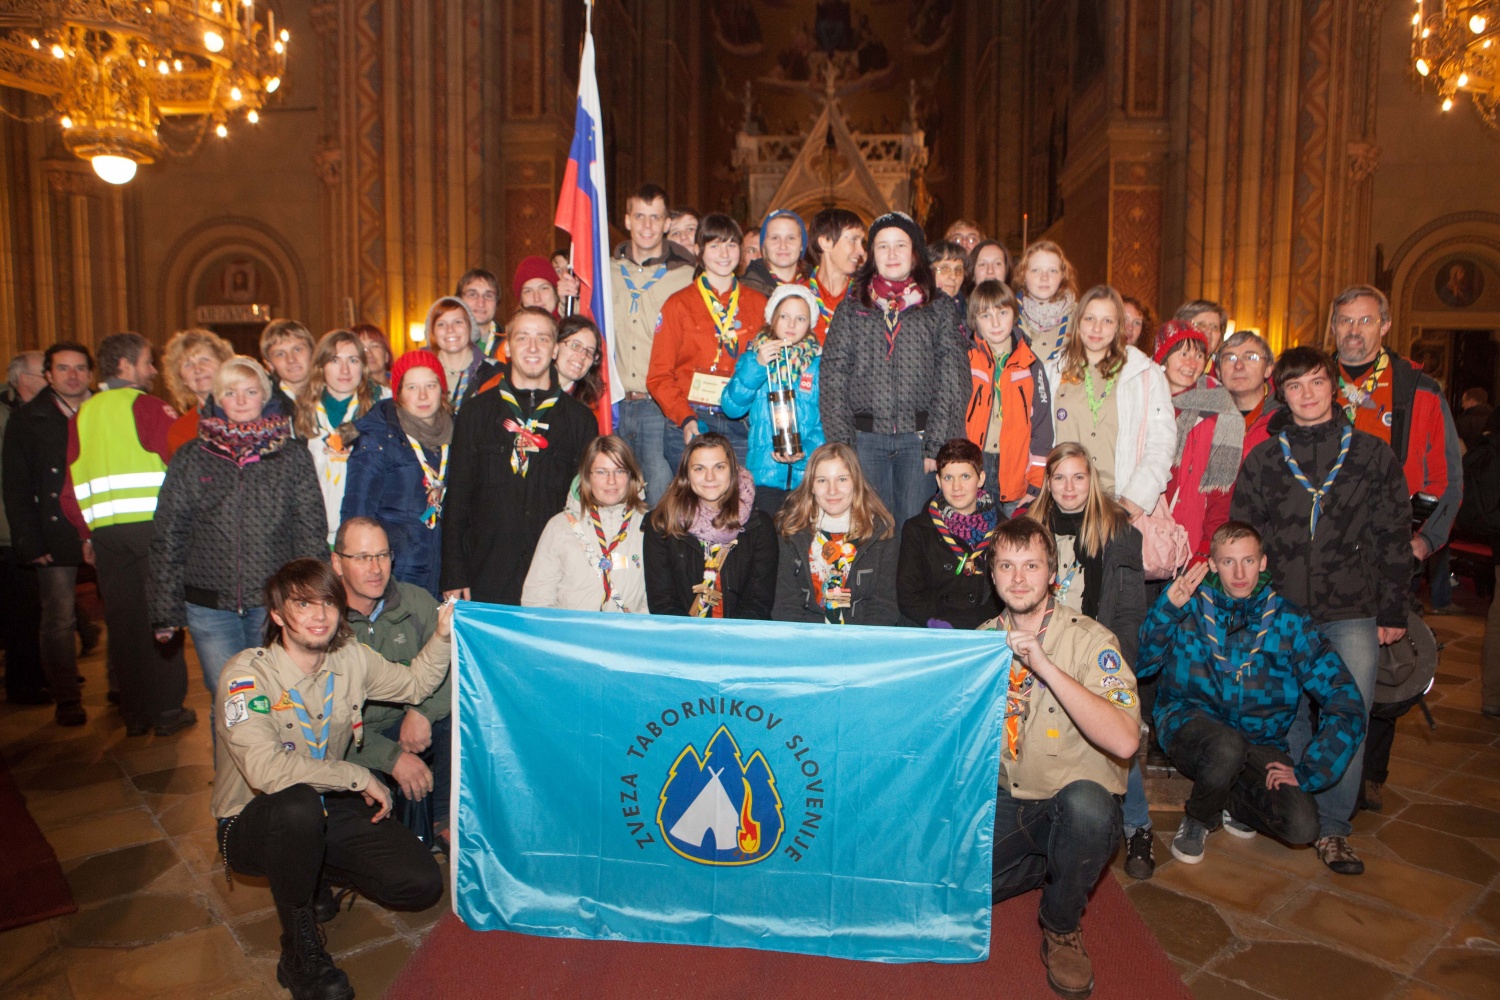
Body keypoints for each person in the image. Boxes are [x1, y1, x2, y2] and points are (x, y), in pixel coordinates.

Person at [213, 558, 450, 1000]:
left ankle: (311, 869)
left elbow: (415, 685)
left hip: (324, 808)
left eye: (328, 603)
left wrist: (440, 636)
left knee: (419, 883)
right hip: (251, 820)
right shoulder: (247, 676)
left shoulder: (351, 658)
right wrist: (356, 775)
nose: (320, 615)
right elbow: (266, 771)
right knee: (297, 805)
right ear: (279, 615)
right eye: (304, 605)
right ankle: (299, 953)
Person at [1230, 346, 1411, 875]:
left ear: (1333, 387)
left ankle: (1334, 827)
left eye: (1316, 382)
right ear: (1279, 393)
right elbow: (1245, 537)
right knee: (1287, 717)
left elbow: (1394, 539)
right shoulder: (1263, 459)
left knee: (1345, 712)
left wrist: (1394, 608)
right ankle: (1298, 807)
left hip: (1351, 607)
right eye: (1294, 386)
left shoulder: (1372, 456)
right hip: (1282, 610)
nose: (1307, 394)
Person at [1135, 522, 1366, 867]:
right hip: (1190, 725)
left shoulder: (1290, 622)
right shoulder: (1190, 606)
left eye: (1248, 561)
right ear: (1212, 564)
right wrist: (1165, 611)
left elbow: (1344, 698)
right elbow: (1140, 666)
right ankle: (1200, 817)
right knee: (1226, 746)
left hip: (1261, 740)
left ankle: (1229, 796)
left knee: (1302, 825)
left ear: (1263, 562)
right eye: (1228, 562)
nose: (1239, 573)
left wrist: (1310, 770)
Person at [978, 518, 1142, 1000]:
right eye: (1006, 566)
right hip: (1010, 799)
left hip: (1071, 805)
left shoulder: (1092, 641)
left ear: (1052, 572)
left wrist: (1044, 666)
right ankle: (1044, 864)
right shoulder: (982, 641)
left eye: (1031, 565)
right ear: (993, 575)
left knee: (1088, 808)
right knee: (943, 886)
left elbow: (1126, 742)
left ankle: (1062, 924)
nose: (1019, 578)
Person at [150, 357, 327, 698]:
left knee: (281, 699)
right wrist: (164, 610)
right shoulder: (191, 457)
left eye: (250, 391)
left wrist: (312, 599)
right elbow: (169, 535)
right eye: (231, 392)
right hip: (210, 607)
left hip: (275, 603)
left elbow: (310, 532)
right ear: (217, 399)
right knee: (231, 704)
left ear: (265, 396)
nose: (242, 401)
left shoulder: (292, 457)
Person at [1026, 441, 1151, 876]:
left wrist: (1123, 663)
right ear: (1048, 482)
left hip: (1095, 649)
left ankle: (1138, 827)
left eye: (1078, 476)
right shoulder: (1029, 524)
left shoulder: (1119, 530)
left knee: (1113, 737)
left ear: (1091, 480)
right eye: (1059, 477)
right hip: (1042, 642)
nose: (1069, 487)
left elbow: (1132, 607)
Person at [63, 332, 196, 737]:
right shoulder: (150, 407)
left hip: (105, 536)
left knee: (122, 625)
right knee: (163, 618)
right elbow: (181, 465)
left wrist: (86, 535)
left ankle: (135, 714)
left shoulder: (80, 416)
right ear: (124, 366)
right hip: (153, 531)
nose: (153, 370)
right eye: (147, 362)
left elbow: (69, 489)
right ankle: (168, 710)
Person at [819, 211, 970, 527]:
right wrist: (844, 447)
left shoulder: (938, 307)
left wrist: (937, 444)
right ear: (871, 255)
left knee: (913, 532)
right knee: (871, 535)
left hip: (919, 444)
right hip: (865, 441)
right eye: (882, 246)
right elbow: (832, 378)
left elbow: (953, 377)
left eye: (900, 245)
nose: (891, 254)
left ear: (915, 252)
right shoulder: (852, 307)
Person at [441, 308, 597, 605]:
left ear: (555, 349)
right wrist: (453, 572)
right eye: (523, 338)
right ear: (508, 347)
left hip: (555, 579)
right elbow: (458, 498)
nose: (533, 347)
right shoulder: (475, 413)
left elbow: (586, 506)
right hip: (486, 575)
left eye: (543, 338)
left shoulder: (580, 421)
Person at [1330, 284, 1461, 582]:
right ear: (1333, 326)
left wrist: (1424, 541)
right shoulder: (1309, 385)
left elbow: (1448, 479)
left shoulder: (1419, 390)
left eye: (1366, 320)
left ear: (1385, 325)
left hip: (1387, 545)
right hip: (1321, 547)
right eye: (1345, 320)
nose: (1353, 329)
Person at [332, 517, 451, 846]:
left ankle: (444, 818)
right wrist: (390, 757)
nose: (376, 568)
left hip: (410, 724)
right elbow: (323, 724)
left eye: (383, 555)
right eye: (362, 557)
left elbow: (453, 661)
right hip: (352, 744)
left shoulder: (414, 601)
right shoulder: (323, 621)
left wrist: (423, 712)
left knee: (458, 717)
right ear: (337, 563)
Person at [4, 345, 97, 719]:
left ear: (90, 373)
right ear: (48, 374)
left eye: (79, 368)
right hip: (54, 528)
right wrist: (28, 539)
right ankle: (66, 695)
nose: (72, 375)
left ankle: (124, 689)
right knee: (59, 617)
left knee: (123, 612)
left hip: (105, 525)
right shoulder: (29, 419)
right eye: (63, 368)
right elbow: (15, 484)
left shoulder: (105, 410)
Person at [649, 213, 768, 472]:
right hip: (691, 418)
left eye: (731, 245)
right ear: (698, 251)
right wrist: (685, 417)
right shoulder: (678, 304)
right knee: (690, 510)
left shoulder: (759, 305)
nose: (724, 254)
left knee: (739, 506)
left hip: (742, 423)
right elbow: (659, 376)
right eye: (714, 246)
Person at [1046, 285, 1176, 519]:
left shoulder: (1145, 374)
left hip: (1119, 506)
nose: (1097, 328)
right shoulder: (1052, 372)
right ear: (1078, 321)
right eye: (1090, 318)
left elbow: (1161, 442)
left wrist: (1136, 498)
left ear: (1118, 326)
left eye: (1107, 321)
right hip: (1064, 505)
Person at [611, 183, 697, 507]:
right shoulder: (606, 272)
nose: (647, 226)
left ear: (666, 225)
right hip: (617, 406)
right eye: (640, 217)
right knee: (616, 501)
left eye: (655, 218)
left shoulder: (687, 276)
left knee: (662, 506)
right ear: (628, 220)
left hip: (659, 409)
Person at [342, 350, 454, 599]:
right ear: (399, 394)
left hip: (443, 574)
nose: (423, 395)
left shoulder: (457, 435)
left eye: (431, 385)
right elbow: (356, 514)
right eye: (412, 387)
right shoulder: (378, 439)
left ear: (442, 390)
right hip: (393, 573)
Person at [643, 432, 777, 618]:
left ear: (733, 471)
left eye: (719, 467)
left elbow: (758, 601)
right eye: (699, 469)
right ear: (686, 474)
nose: (710, 477)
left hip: (741, 638)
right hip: (683, 639)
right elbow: (663, 603)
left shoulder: (759, 525)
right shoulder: (661, 525)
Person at [720, 284, 826, 514]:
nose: (791, 324)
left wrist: (805, 454)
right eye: (784, 316)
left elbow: (826, 422)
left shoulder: (818, 365)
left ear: (810, 324)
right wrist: (757, 366)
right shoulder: (754, 358)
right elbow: (731, 407)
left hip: (806, 479)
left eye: (800, 318)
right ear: (772, 318)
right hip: (763, 476)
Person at [773, 442, 899, 624]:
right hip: (807, 639)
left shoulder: (881, 532)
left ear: (856, 482)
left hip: (862, 640)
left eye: (842, 479)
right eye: (822, 480)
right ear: (811, 486)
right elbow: (785, 605)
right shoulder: (792, 530)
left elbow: (884, 606)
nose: (832, 490)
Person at [522, 435, 649, 613]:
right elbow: (536, 599)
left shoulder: (648, 527)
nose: (611, 481)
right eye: (601, 472)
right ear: (587, 477)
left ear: (631, 475)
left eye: (619, 471)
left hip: (626, 637)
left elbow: (651, 599)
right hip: (570, 638)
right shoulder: (560, 526)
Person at [1155, 321, 1243, 557]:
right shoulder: (1143, 400)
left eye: (1199, 355)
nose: (1191, 363)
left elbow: (1220, 489)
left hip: (1191, 538)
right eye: (1183, 353)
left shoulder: (1218, 408)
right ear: (1163, 358)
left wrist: (1208, 546)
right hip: (1144, 534)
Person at [962, 280, 1050, 515]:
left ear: (1014, 313)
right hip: (974, 466)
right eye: (985, 315)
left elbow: (1041, 426)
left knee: (1012, 547)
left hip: (1015, 473)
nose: (995, 322)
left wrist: (1036, 482)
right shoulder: (964, 360)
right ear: (974, 321)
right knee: (973, 543)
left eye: (1002, 312)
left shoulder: (1031, 364)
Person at [897, 438, 1003, 630]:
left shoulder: (1003, 530)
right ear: (938, 481)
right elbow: (908, 596)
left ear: (980, 479)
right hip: (934, 630)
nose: (956, 487)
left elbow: (1006, 591)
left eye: (965, 477)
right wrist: (936, 622)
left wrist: (980, 623)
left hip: (985, 629)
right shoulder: (917, 530)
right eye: (948, 478)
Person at [294, 330, 382, 544]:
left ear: (363, 365)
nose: (344, 370)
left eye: (352, 360)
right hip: (314, 533)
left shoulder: (381, 409)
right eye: (335, 360)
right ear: (321, 366)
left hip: (365, 533)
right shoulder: (301, 412)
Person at [162, 328, 235, 459]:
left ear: (223, 363)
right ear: (182, 379)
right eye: (188, 364)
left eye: (205, 360)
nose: (198, 369)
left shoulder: (251, 412)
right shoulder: (180, 431)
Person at [424, 296, 498, 413]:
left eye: (458, 322)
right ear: (432, 332)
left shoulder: (491, 373)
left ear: (470, 327)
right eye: (441, 324)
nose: (450, 330)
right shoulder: (418, 372)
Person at [804, 207, 866, 344]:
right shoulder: (797, 296)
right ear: (825, 242)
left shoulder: (866, 297)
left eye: (862, 242)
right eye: (853, 240)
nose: (861, 251)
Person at [1016, 239, 1079, 364]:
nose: (1044, 277)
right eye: (1036, 270)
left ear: (1063, 275)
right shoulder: (1010, 313)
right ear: (1023, 274)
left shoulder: (1079, 316)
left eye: (1052, 271)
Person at [741, 208, 810, 297]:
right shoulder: (744, 293)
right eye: (775, 238)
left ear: (802, 245)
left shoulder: (817, 289)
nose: (783, 246)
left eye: (791, 238)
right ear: (764, 246)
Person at [1217, 330, 1276, 433]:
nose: (1239, 366)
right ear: (1218, 372)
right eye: (1230, 358)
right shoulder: (1202, 419)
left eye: (1250, 357)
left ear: (1268, 369)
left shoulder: (1284, 420)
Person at [259, 319, 316, 418]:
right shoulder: (266, 407)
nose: (291, 359)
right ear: (269, 364)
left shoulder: (335, 395)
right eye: (280, 354)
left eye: (298, 349)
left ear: (313, 352)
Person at [554, 315, 605, 417]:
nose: (582, 356)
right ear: (555, 345)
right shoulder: (528, 392)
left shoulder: (587, 410)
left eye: (589, 352)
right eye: (575, 345)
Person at [513, 254, 581, 317]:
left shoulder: (570, 327)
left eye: (544, 288)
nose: (537, 298)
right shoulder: (513, 329)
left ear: (555, 292)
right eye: (528, 291)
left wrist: (568, 305)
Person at [456, 268, 503, 357]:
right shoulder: (445, 344)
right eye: (472, 294)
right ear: (459, 300)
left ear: (497, 302)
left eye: (488, 296)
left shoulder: (511, 346)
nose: (481, 303)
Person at [354, 324, 392, 388]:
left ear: (386, 356)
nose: (369, 354)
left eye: (374, 346)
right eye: (361, 348)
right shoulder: (349, 395)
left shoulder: (403, 388)